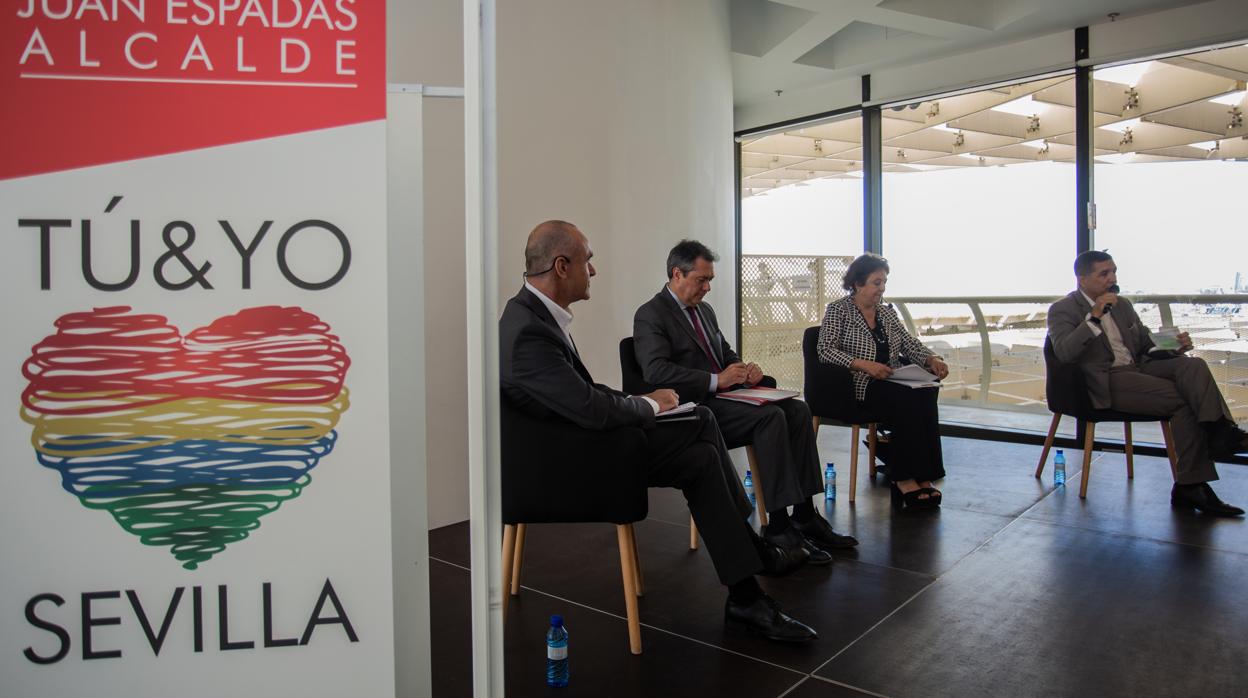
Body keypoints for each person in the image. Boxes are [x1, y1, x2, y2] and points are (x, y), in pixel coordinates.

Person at [500, 220, 817, 641]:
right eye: (588, 261)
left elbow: (582, 393)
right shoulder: (528, 330)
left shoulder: (535, 316)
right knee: (702, 424)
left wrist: (650, 401)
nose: (593, 271)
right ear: (562, 266)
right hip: (562, 467)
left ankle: (746, 593)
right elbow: (591, 408)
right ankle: (751, 559)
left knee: (702, 452)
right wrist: (649, 403)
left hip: (577, 446)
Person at [633, 240, 858, 562]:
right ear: (676, 274)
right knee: (770, 418)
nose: (708, 287)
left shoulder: (704, 311)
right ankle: (779, 526)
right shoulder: (650, 314)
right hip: (696, 407)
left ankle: (805, 514)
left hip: (727, 397)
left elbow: (724, 353)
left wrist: (743, 369)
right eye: (701, 279)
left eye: (710, 279)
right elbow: (656, 371)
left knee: (797, 410)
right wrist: (716, 380)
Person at [1048, 250, 1248, 516]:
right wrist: (1094, 317)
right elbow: (1064, 352)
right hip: (1104, 380)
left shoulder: (1123, 305)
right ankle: (1194, 480)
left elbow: (1144, 343)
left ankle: (1220, 432)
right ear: (1082, 279)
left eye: (1114, 271)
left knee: (1194, 365)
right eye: (1104, 273)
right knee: (1184, 402)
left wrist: (1174, 346)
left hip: (1139, 368)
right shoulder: (1062, 309)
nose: (1112, 278)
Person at [816, 253, 949, 509]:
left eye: (884, 282)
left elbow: (909, 343)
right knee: (905, 398)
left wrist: (931, 359)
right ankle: (903, 477)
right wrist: (863, 364)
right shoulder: (838, 310)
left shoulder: (886, 313)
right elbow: (825, 349)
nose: (882, 288)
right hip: (860, 383)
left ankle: (924, 474)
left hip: (891, 377)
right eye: (877, 282)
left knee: (927, 389)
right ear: (857, 283)